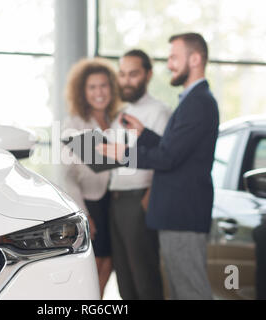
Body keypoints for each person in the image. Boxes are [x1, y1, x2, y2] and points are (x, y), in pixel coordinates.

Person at [98, 33, 219, 300]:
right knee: (178, 290)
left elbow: (167, 158)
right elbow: (174, 149)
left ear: (196, 59)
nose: (170, 64)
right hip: (176, 213)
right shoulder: (191, 100)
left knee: (190, 291)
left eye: (174, 57)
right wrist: (145, 133)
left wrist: (124, 153)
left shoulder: (198, 101)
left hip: (182, 213)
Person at [107, 49, 171, 300]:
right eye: (122, 74)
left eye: (133, 74)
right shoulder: (120, 115)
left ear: (148, 75)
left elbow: (165, 158)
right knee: (125, 281)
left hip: (139, 200)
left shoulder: (159, 111)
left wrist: (149, 198)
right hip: (117, 200)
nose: (126, 80)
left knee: (145, 280)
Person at [60, 58, 122, 298]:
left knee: (110, 262)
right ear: (82, 92)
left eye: (103, 86)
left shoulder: (117, 120)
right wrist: (84, 213)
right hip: (91, 201)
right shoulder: (74, 123)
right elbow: (69, 176)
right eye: (92, 87)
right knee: (95, 262)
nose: (99, 92)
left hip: (114, 200)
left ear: (112, 88)